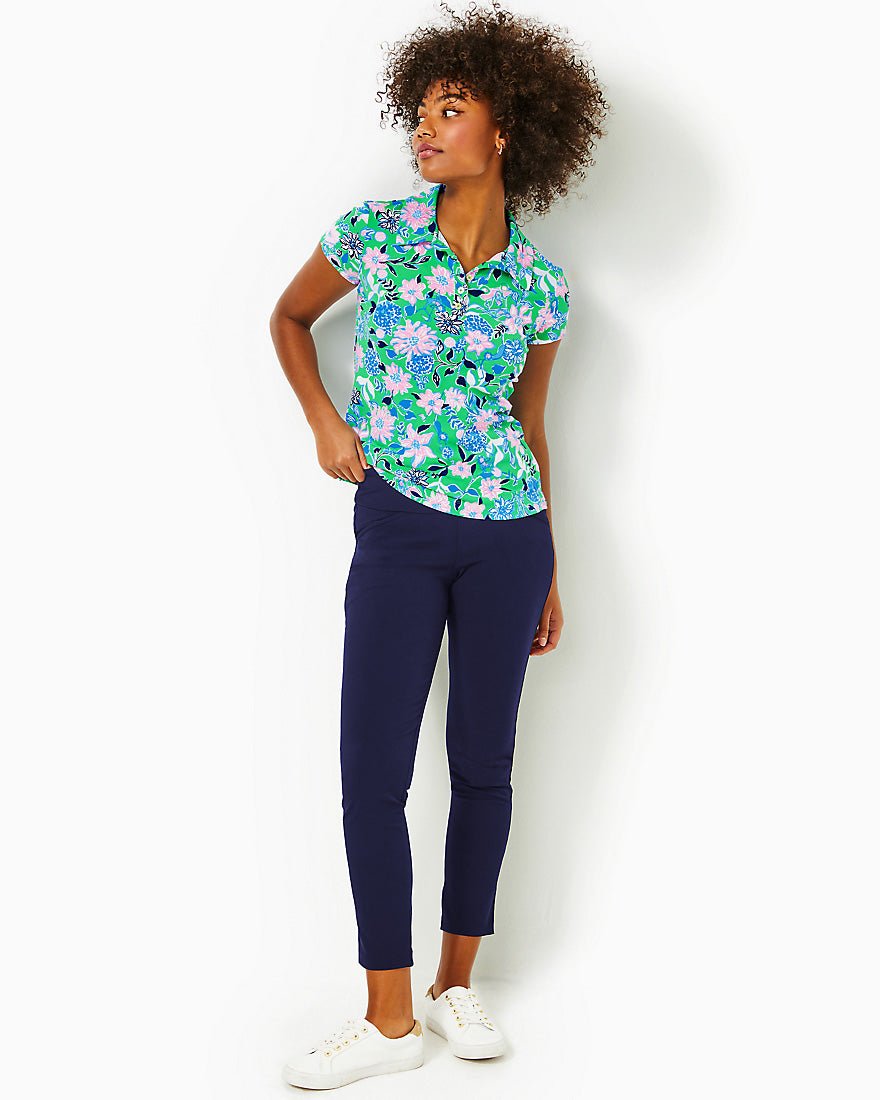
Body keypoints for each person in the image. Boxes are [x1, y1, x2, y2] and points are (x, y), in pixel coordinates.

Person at [269, 2, 608, 1089]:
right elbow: (287, 318)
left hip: (509, 535)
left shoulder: (541, 285)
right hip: (401, 524)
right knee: (371, 766)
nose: (423, 127)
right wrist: (327, 423)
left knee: (484, 764)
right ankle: (386, 1017)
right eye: (419, 110)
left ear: (507, 129)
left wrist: (548, 560)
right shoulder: (376, 233)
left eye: (448, 109)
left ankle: (456, 984)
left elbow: (531, 425)